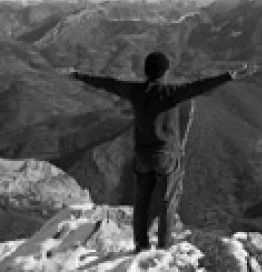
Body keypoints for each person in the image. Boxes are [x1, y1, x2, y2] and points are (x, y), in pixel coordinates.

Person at [69, 51, 248, 252]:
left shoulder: (135, 90)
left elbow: (108, 83)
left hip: (142, 156)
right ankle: (164, 246)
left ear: (146, 70)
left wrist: (78, 75)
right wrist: (228, 76)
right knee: (167, 201)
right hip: (166, 156)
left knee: (141, 201)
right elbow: (199, 86)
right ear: (164, 72)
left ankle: (140, 244)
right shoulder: (169, 93)